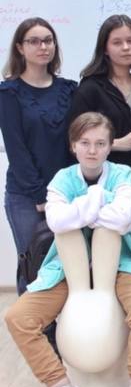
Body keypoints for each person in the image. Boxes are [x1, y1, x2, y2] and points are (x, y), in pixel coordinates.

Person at [4, 112, 131, 387]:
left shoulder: (122, 174)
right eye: (85, 143)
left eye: (100, 143)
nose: (92, 150)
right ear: (73, 145)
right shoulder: (62, 179)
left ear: (110, 146)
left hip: (119, 264)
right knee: (18, 318)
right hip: (67, 267)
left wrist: (78, 211)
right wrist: (100, 198)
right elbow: (57, 222)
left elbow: (122, 217)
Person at [0, 17, 77, 295]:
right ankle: (32, 321)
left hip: (66, 193)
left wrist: (71, 189)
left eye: (48, 40)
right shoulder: (8, 93)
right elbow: (17, 150)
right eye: (34, 41)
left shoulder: (69, 89)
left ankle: (62, 321)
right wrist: (40, 197)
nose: (43, 47)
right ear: (20, 48)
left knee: (69, 266)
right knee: (33, 264)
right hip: (26, 196)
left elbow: (75, 143)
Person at [69, 14, 131, 248]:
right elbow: (75, 138)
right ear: (105, 49)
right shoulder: (90, 88)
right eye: (117, 42)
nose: (126, 47)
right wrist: (116, 143)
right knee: (104, 256)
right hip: (104, 188)